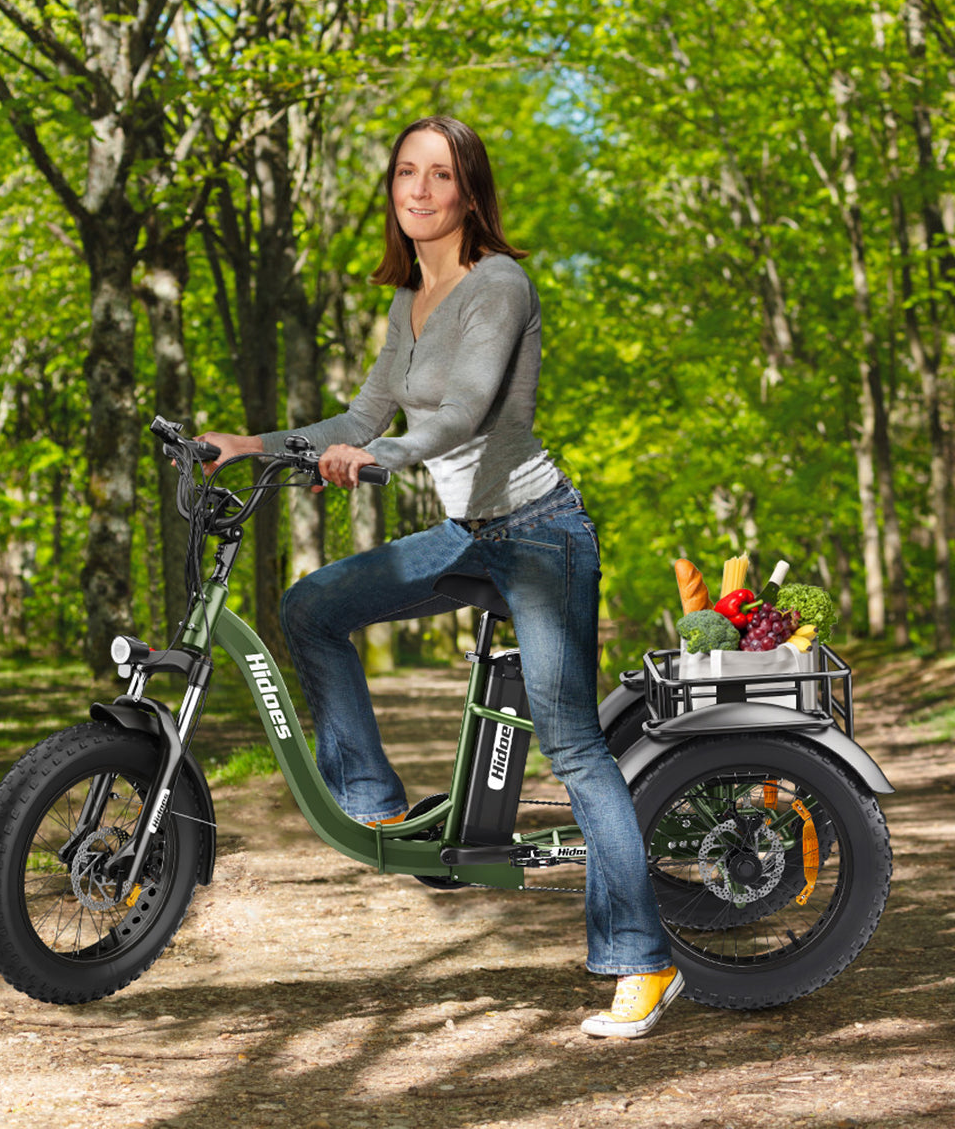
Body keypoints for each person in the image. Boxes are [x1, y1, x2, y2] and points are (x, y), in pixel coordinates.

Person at [197, 115, 681, 1039]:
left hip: (540, 535)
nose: (419, 190)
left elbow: (460, 414)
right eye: (405, 173)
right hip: (470, 534)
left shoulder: (498, 285)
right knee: (313, 607)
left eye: (442, 175)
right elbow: (359, 415)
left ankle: (643, 959)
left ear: (469, 192)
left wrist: (382, 459)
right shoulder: (407, 301)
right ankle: (376, 811)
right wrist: (250, 443)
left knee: (573, 747)